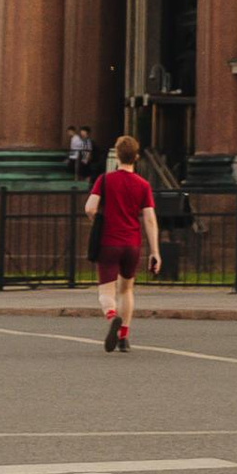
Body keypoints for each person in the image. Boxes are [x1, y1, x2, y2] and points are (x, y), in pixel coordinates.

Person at [84, 137, 160, 348]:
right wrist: (155, 251)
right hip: (132, 244)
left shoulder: (105, 180)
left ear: (116, 155)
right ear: (136, 157)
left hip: (108, 242)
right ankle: (124, 337)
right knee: (126, 290)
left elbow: (89, 208)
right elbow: (150, 219)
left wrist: (98, 218)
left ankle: (111, 317)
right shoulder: (143, 185)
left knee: (106, 292)